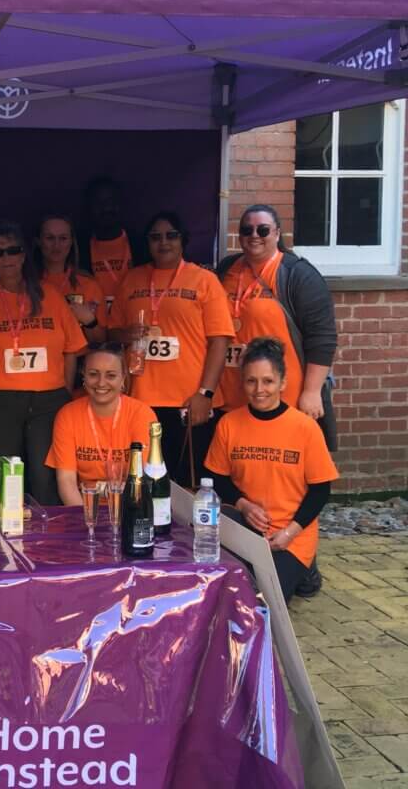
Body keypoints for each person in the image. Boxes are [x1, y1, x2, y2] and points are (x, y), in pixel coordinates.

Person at [205, 337, 338, 604]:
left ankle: (304, 568)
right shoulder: (230, 424)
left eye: (268, 381)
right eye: (251, 381)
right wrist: (243, 505)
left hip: (291, 535)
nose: (259, 389)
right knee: (221, 591)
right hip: (245, 526)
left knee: (261, 603)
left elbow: (321, 489)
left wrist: (291, 531)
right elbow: (217, 477)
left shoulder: (305, 428)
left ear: (283, 383)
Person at [0, 221, 88, 505]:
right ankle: (4, 538)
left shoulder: (50, 295)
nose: (6, 258)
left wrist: (64, 389)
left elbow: (73, 348)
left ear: (23, 255)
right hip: (2, 400)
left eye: (12, 251)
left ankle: (49, 542)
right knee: (5, 472)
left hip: (49, 400)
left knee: (45, 474)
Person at [109, 211, 234, 486]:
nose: (163, 243)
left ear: (183, 240)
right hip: (141, 400)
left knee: (189, 483)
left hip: (189, 402)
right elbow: (111, 332)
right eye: (155, 237)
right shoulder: (131, 280)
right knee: (145, 482)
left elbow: (220, 340)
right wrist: (125, 333)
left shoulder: (204, 280)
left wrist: (205, 393)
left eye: (171, 236)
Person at [216, 204, 338, 450]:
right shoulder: (227, 269)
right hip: (231, 394)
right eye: (247, 230)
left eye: (263, 230)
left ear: (277, 234)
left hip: (282, 396)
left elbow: (322, 337)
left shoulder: (297, 274)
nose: (254, 236)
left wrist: (312, 391)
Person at [47, 344, 158, 506]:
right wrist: (86, 521)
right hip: (83, 507)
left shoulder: (141, 414)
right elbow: (66, 481)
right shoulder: (67, 415)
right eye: (93, 374)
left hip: (131, 508)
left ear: (123, 378)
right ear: (83, 376)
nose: (101, 383)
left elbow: (143, 481)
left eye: (111, 376)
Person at [34, 214, 106, 346]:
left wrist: (89, 321)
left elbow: (101, 341)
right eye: (50, 238)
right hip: (45, 362)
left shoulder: (88, 284)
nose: (56, 245)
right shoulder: (27, 284)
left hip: (80, 360)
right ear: (38, 241)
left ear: (71, 242)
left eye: (63, 238)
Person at [78, 176, 146, 312]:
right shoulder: (78, 248)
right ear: (89, 207)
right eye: (99, 202)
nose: (107, 208)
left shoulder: (141, 245)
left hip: (133, 319)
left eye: (112, 201)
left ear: (121, 205)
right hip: (94, 322)